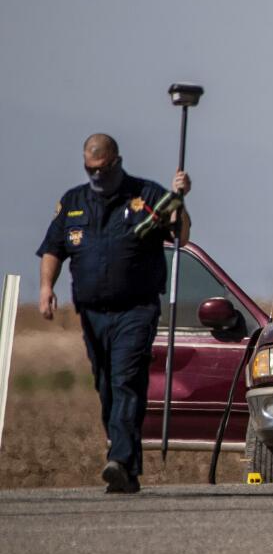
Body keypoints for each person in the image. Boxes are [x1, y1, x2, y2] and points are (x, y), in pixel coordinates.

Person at [37, 134, 192, 494]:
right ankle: (127, 468)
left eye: (102, 169)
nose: (95, 176)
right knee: (106, 385)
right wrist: (46, 288)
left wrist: (179, 200)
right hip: (92, 313)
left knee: (126, 379)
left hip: (135, 309)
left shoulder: (147, 196)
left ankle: (119, 458)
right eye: (89, 170)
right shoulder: (73, 202)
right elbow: (53, 249)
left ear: (116, 162)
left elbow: (180, 236)